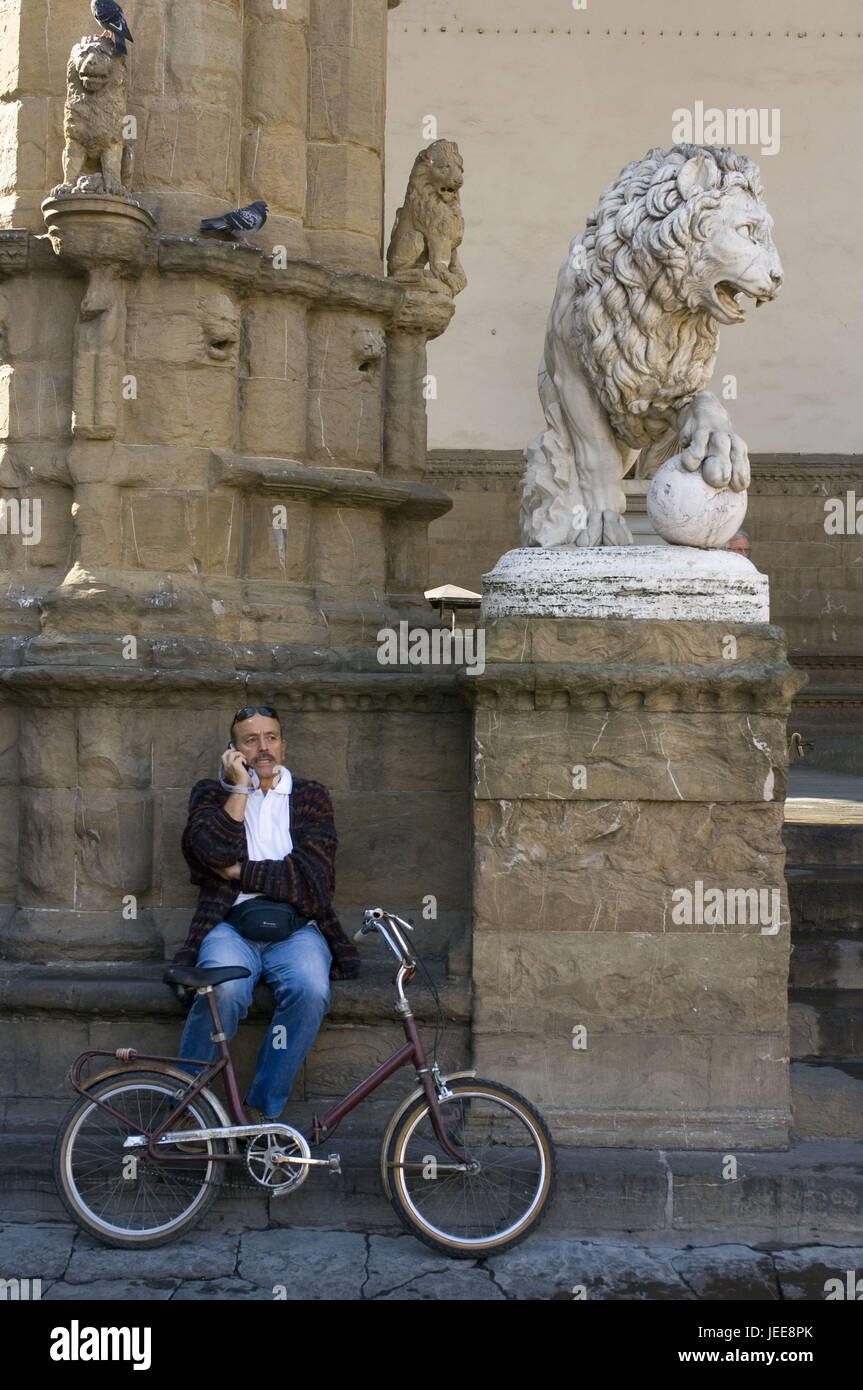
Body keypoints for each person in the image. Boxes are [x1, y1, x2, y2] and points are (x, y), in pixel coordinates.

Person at [172, 704, 360, 1122]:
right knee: (223, 993)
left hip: (297, 929)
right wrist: (239, 791)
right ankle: (185, 1110)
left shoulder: (310, 796)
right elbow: (212, 852)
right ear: (234, 750)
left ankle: (262, 1110)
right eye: (251, 740)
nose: (263, 747)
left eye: (271, 737)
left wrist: (240, 872)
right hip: (230, 928)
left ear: (283, 744)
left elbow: (313, 878)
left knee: (311, 991)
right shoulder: (211, 793)